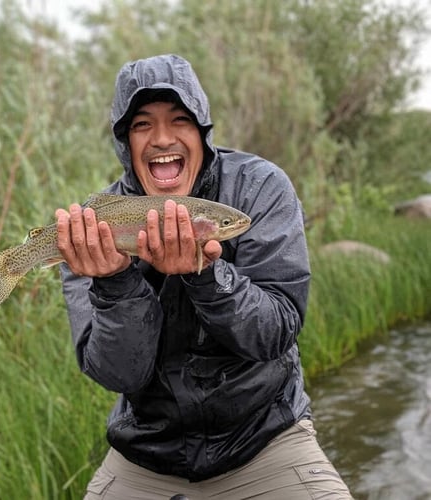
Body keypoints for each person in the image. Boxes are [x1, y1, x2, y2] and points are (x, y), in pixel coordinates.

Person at [55, 54, 353, 500]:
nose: (161, 138)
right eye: (141, 125)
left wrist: (208, 275)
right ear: (125, 142)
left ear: (201, 132)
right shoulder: (93, 227)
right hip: (145, 456)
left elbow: (276, 332)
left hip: (266, 443)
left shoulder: (258, 189)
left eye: (179, 119)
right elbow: (120, 374)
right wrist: (115, 283)